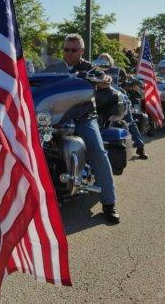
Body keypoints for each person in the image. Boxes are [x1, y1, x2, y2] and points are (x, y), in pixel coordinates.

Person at [44, 34, 120, 224]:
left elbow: (103, 78)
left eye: (73, 50)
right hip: (56, 118)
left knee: (98, 152)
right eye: (66, 49)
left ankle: (109, 203)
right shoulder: (54, 68)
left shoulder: (89, 68)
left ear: (81, 51)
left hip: (83, 117)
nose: (69, 53)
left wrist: (105, 79)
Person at [97, 53, 148, 159]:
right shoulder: (94, 71)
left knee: (129, 120)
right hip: (99, 99)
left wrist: (131, 84)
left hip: (117, 99)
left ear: (110, 61)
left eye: (106, 61)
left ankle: (140, 146)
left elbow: (125, 84)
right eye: (101, 61)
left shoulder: (118, 71)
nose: (103, 63)